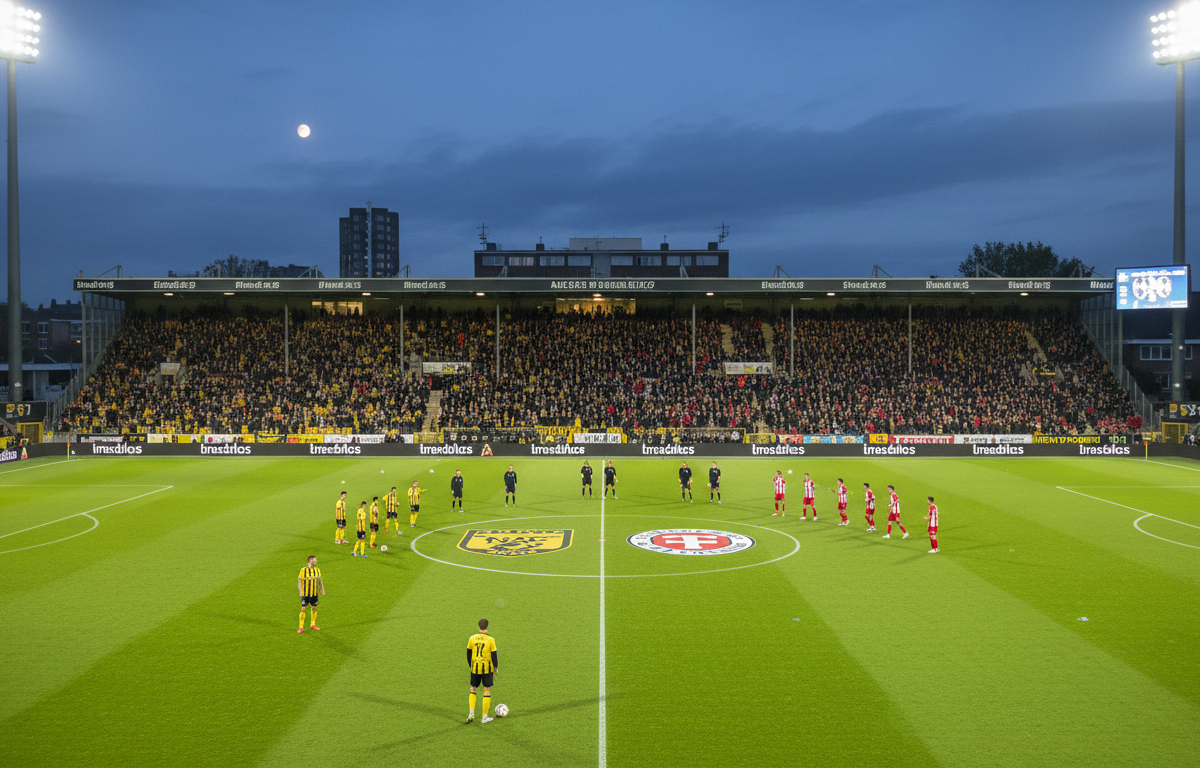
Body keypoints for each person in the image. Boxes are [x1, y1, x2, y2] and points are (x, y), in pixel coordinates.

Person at [466, 618, 499, 724]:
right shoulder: (491, 640)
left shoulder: (472, 638)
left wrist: (471, 666)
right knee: (486, 691)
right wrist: (495, 667)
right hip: (487, 669)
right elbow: (494, 655)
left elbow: (468, 653)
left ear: (479, 626)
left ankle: (471, 713)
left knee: (473, 689)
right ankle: (484, 717)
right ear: (487, 626)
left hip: (475, 667)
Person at [297, 555, 324, 634]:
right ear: (310, 560)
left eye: (316, 560)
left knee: (314, 608)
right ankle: (301, 627)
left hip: (314, 593)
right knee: (303, 609)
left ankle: (313, 624)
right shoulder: (303, 570)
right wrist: (300, 591)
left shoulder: (317, 569)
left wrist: (322, 589)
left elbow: (319, 580)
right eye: (314, 560)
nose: (315, 561)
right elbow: (299, 580)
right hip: (305, 593)